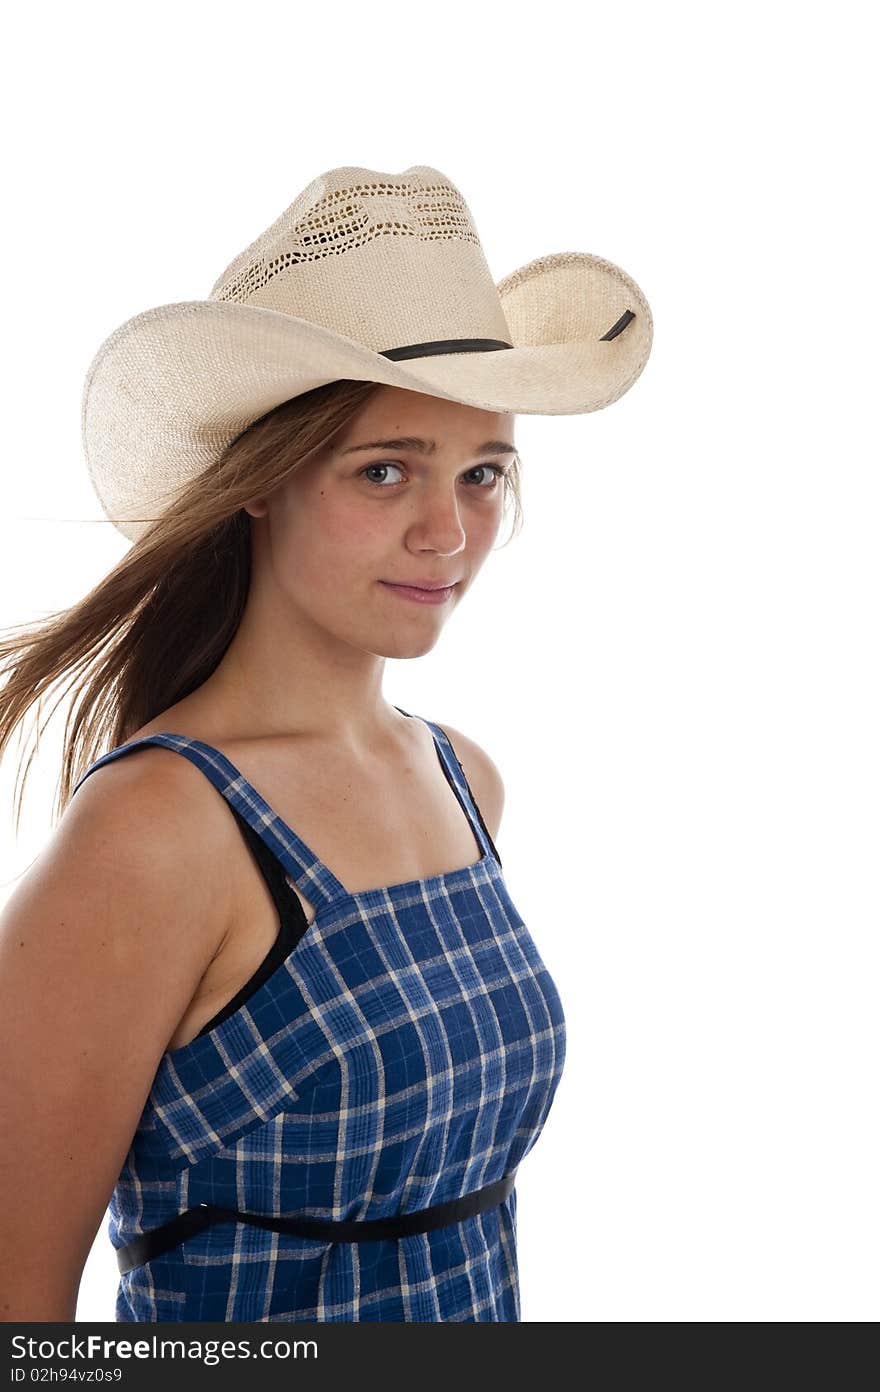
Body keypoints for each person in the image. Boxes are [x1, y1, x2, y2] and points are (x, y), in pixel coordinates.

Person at [0, 163, 652, 1322]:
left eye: (483, 473)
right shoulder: (157, 832)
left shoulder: (461, 778)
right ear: (260, 483)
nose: (447, 531)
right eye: (384, 470)